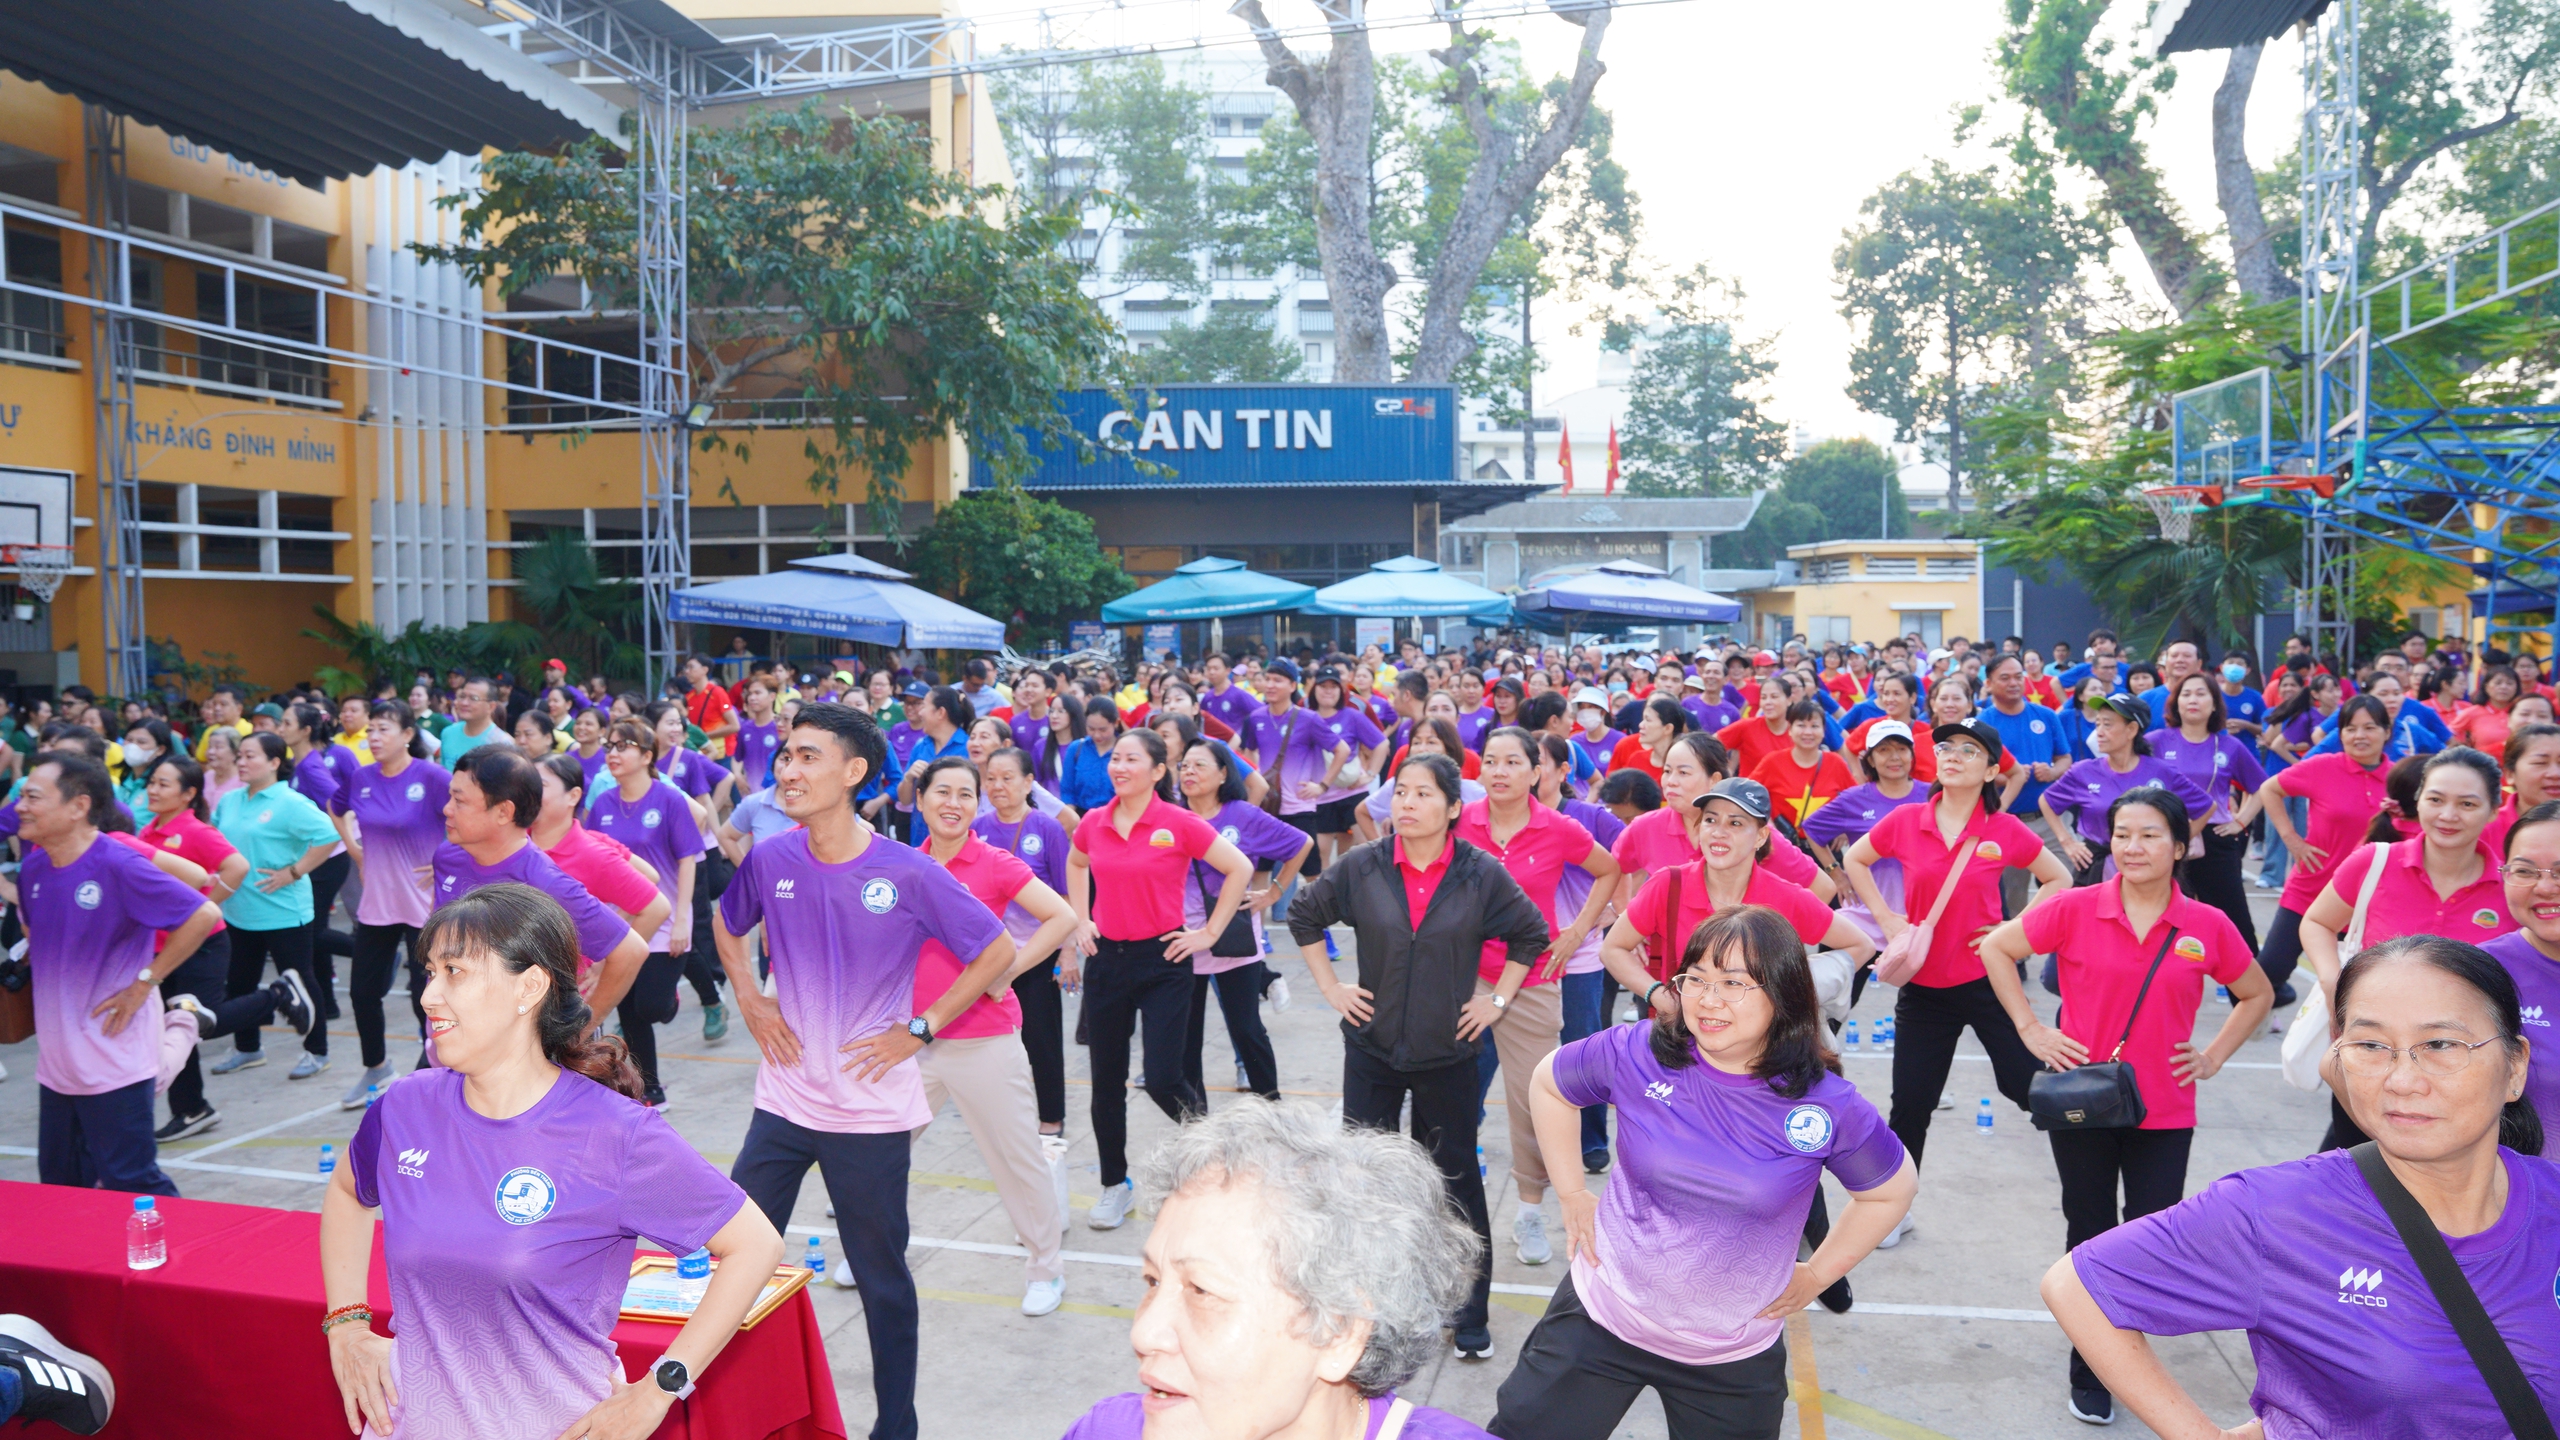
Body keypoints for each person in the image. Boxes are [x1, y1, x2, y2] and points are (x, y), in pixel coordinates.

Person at [320, 883, 786, 1440]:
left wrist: (661, 1388)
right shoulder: (405, 1107)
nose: (428, 996)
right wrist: (345, 1322)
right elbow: (348, 1192)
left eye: (455, 972)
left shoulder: (614, 1134)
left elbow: (755, 1244)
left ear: (531, 987)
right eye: (429, 972)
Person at [2047, 934, 2560, 1437]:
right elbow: (2078, 1286)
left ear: (2515, 1065)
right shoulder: (2278, 1211)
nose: (2403, 1080)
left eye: (2441, 1044)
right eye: (2370, 1045)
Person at [712, 703, 1021, 1440]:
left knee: (882, 1281)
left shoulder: (907, 871)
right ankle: (731, 1410)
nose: (788, 769)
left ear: (854, 774)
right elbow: (728, 924)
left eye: (808, 757)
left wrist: (921, 1029)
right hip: (784, 1103)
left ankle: (896, 1427)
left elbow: (995, 950)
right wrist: (752, 1003)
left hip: (869, 1113)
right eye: (786, 755)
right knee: (732, 1254)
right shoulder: (771, 856)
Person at [1491, 907, 1917, 1440]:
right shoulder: (1640, 1051)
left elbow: (1892, 1190)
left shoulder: (1826, 1105)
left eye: (1734, 983)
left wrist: (1818, 1273)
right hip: (1603, 1318)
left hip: (1730, 1356)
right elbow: (1549, 1084)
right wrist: (1574, 1193)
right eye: (1696, 979)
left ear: (1782, 996)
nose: (1708, 1000)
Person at [1977, 787, 2274, 1425]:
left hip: (2166, 1107)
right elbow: (1997, 949)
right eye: (2122, 835)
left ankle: (2126, 1355)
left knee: (2150, 1233)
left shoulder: (2206, 925)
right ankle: (2091, 1367)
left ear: (2178, 845)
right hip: (2084, 1101)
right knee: (2088, 1229)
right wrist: (2032, 1031)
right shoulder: (2076, 907)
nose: (2132, 848)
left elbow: (2256, 993)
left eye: (2148, 835)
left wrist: (2214, 1055)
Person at [1289, 752, 1553, 1362]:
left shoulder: (1479, 873)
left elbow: (1530, 934)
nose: (1405, 804)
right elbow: (1305, 916)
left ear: (1453, 807)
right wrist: (1331, 987)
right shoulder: (1363, 866)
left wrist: (1498, 998)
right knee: (1365, 1185)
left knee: (1456, 1184)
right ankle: (1369, 1314)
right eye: (1400, 793)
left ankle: (1468, 1314)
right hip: (1372, 1051)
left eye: (1421, 794)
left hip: (1447, 1054)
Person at [1059, 1101, 1500, 1440]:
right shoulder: (1110, 1429)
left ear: (1340, 1333)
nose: (1143, 1332)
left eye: (1201, 1290)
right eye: (1153, 1281)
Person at [1844, 717, 2071, 1239]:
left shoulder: (2005, 829)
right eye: (1946, 747)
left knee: (2029, 1088)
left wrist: (2014, 928)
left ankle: (2088, 1184)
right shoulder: (1906, 820)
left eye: (1969, 751)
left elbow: (2059, 878)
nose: (1952, 755)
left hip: (1989, 985)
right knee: (1911, 1105)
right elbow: (1856, 860)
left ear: (1992, 769)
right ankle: (1894, 1212)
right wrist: (1888, 919)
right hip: (1924, 990)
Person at [908, 755, 1078, 1316]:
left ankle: (1045, 1268)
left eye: (965, 794)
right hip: (913, 1041)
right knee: (880, 1152)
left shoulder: (996, 863)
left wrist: (1011, 969)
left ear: (976, 805)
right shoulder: (903, 866)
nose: (953, 803)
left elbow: (1060, 918)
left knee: (1016, 1156)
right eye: (942, 792)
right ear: (921, 800)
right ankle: (879, 1250)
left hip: (985, 1039)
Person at [1066, 729, 1255, 1229]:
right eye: (1116, 759)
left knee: (1165, 1078)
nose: (1119, 766)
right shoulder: (1094, 822)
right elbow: (1076, 861)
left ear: (1156, 771)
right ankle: (1114, 1185)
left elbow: (1239, 868)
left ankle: (1216, 1156)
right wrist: (1080, 918)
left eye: (1132, 759)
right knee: (1105, 1082)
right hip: (1107, 961)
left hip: (1164, 961)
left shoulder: (1178, 823)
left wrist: (1209, 932)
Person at [22, 754, 226, 1194]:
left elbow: (203, 913)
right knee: (59, 1186)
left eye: (33, 797)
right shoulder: (34, 868)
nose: (20, 806)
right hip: (56, 1066)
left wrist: (144, 983)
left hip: (113, 1060)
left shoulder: (117, 864)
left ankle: (182, 1260)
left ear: (78, 806)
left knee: (130, 1182)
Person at [2299, 746, 2516, 1152]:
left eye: (2467, 804)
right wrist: (2333, 980)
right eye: (2436, 799)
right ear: (2418, 800)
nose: (2448, 815)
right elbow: (2316, 921)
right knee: (2355, 1172)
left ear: (2493, 809)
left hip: (2461, 1072)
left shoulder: (2510, 889)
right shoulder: (2375, 862)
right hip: (2371, 1058)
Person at [1459, 728, 1621, 1268]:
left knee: (1534, 1102)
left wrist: (1577, 932)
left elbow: (1609, 870)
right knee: (1450, 1091)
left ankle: (1529, 1211)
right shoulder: (1461, 823)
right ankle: (1447, 1208)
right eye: (1490, 761)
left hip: (1531, 981)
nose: (1499, 770)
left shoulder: (1558, 828)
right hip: (1463, 979)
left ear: (1537, 772)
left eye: (1513, 762)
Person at [432, 746, 651, 1031]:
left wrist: (580, 1033)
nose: (446, 809)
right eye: (450, 796)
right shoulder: (448, 857)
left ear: (503, 812)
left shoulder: (544, 883)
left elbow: (630, 951)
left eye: (459, 801)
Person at [1175, 738, 1311, 1102]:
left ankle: (1271, 1105)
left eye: (1199, 765)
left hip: (1232, 939)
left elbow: (1302, 844)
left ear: (1223, 774)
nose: (1189, 772)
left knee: (1246, 1029)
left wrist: (1275, 892)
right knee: (1184, 1035)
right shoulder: (1169, 815)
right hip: (1182, 939)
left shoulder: (1242, 815)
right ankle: (1194, 1116)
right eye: (1184, 765)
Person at [330, 701, 453, 1101]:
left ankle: (437, 1072)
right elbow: (336, 809)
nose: (374, 737)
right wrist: (355, 850)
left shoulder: (431, 777)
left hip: (425, 907)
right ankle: (376, 1067)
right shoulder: (362, 777)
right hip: (377, 906)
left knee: (427, 998)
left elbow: (465, 819)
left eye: (383, 729)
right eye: (370, 730)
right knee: (363, 993)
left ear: (407, 735)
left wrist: (445, 863)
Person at [207, 732, 345, 1082]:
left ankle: (317, 1052)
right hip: (239, 911)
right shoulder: (230, 801)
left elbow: (329, 835)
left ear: (273, 762)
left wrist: (294, 871)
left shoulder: (289, 802)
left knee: (299, 981)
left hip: (283, 911)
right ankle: (248, 1048)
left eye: (250, 756)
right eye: (239, 755)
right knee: (240, 983)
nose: (241, 761)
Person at [137, 754, 261, 1141]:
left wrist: (209, 906)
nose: (153, 790)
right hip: (163, 950)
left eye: (163, 784)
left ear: (189, 793)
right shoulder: (147, 832)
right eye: (152, 782)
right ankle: (192, 1109)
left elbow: (236, 866)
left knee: (195, 1023)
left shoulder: (194, 830)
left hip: (203, 943)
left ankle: (278, 996)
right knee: (173, 1027)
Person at [586, 719, 707, 1108]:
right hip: (620, 923)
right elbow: (593, 862)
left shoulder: (669, 799)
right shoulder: (602, 804)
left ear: (647, 755)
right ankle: (649, 1090)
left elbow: (688, 859)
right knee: (631, 1012)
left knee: (651, 1006)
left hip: (665, 919)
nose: (613, 753)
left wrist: (684, 918)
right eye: (610, 746)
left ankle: (670, 995)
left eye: (623, 746)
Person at [2253, 694, 2396, 1004]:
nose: (2359, 736)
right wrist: (2292, 840)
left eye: (2370, 727)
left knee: (2360, 989)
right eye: (2350, 728)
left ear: (2387, 731)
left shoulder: (2399, 779)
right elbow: (2269, 789)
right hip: (2310, 888)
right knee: (2268, 975)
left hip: (2366, 900)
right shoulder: (2322, 767)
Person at [977, 746, 1077, 1149]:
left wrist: (1067, 953)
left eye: (1007, 778)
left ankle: (1051, 1116)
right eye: (991, 779)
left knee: (1041, 1039)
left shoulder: (1046, 828)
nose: (998, 786)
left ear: (1028, 782)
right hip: (988, 955)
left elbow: (1067, 896)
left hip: (1036, 954)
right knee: (990, 1039)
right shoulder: (978, 827)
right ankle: (1001, 1113)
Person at [2145, 672, 2266, 950]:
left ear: (2214, 704)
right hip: (2165, 839)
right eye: (2186, 694)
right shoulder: (2155, 741)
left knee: (2233, 918)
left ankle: (2244, 986)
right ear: (2175, 703)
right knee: (2166, 917)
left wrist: (2241, 820)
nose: (2193, 700)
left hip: (2215, 839)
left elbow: (2263, 787)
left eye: (2201, 694)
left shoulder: (2229, 746)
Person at [2040, 696, 2212, 888]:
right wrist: (2067, 841)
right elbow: (2047, 801)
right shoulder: (2083, 771)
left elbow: (2206, 806)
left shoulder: (2162, 772)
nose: (2099, 732)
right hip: (2095, 867)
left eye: (2107, 725)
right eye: (2097, 724)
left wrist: (2174, 844)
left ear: (2131, 729)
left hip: (2146, 866)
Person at [1745, 698, 1850, 824]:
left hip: (1826, 843)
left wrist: (1845, 826)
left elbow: (1856, 801)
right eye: (1801, 725)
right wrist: (1767, 825)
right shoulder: (1772, 762)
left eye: (1814, 726)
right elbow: (1746, 795)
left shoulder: (1835, 762)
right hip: (1782, 841)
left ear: (1823, 731)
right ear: (1790, 729)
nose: (1808, 732)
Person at [1608, 695, 1687, 783]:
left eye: (1648, 720)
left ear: (1667, 728)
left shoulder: (1686, 765)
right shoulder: (1636, 759)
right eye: (1643, 719)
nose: (1641, 725)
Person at [435, 676, 502, 772]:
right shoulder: (448, 733)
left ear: (491, 707)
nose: (464, 703)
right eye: (462, 696)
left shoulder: (500, 743)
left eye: (473, 698)